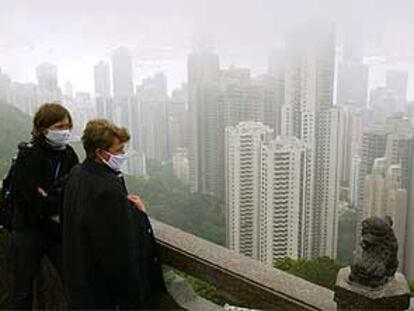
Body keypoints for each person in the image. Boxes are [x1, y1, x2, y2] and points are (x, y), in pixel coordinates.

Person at [62, 119, 166, 309]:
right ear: (100, 153)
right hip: (104, 292)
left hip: (80, 280)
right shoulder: (107, 188)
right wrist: (140, 214)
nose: (123, 155)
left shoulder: (77, 173)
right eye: (118, 150)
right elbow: (120, 246)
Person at [9, 103, 79, 309]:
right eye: (59, 127)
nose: (64, 132)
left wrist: (49, 196)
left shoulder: (69, 155)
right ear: (43, 128)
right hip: (28, 231)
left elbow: (74, 190)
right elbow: (32, 200)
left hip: (56, 231)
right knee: (22, 290)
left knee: (74, 282)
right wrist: (55, 198)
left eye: (67, 126)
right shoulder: (29, 156)